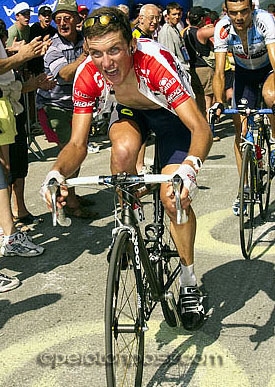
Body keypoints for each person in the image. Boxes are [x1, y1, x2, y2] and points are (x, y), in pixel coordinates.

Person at [41, 7, 213, 331]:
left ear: (131, 46)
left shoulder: (153, 63)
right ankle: (127, 227)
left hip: (174, 116)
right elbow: (77, 144)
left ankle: (189, 281)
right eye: (96, 53)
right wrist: (55, 173)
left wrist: (190, 166)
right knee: (121, 152)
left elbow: (201, 128)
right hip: (132, 111)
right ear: (87, 52)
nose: (107, 63)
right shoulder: (89, 74)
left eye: (115, 50)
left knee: (173, 198)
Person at [212, 0, 275, 215]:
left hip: (268, 70)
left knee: (270, 96)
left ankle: (274, 142)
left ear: (252, 9)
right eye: (234, 13)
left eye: (244, 12)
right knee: (241, 134)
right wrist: (218, 101)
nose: (239, 18)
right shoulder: (222, 27)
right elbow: (219, 71)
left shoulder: (264, 20)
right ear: (226, 12)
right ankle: (244, 187)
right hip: (243, 74)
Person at [37, 0, 95, 219]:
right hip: (55, 106)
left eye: (67, 18)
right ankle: (70, 202)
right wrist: (86, 55)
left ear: (77, 20)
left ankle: (71, 194)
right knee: (71, 150)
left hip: (78, 105)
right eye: (58, 19)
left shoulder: (84, 40)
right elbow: (64, 74)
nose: (62, 23)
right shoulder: (52, 47)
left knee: (79, 152)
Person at [183, 7, 215, 122]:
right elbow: (220, 29)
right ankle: (209, 128)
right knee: (208, 101)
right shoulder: (201, 33)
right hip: (204, 69)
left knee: (199, 99)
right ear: (202, 19)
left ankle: (201, 124)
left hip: (192, 68)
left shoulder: (184, 32)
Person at [158, 2, 189, 71]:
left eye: (179, 14)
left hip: (183, 67)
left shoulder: (175, 28)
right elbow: (169, 56)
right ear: (168, 15)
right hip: (176, 70)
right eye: (174, 14)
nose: (177, 17)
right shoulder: (166, 31)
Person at [28, 5, 57, 76]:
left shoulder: (52, 30)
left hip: (47, 65)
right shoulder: (34, 29)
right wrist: (43, 42)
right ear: (39, 17)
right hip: (35, 65)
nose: (47, 17)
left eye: (49, 15)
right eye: (44, 15)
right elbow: (32, 48)